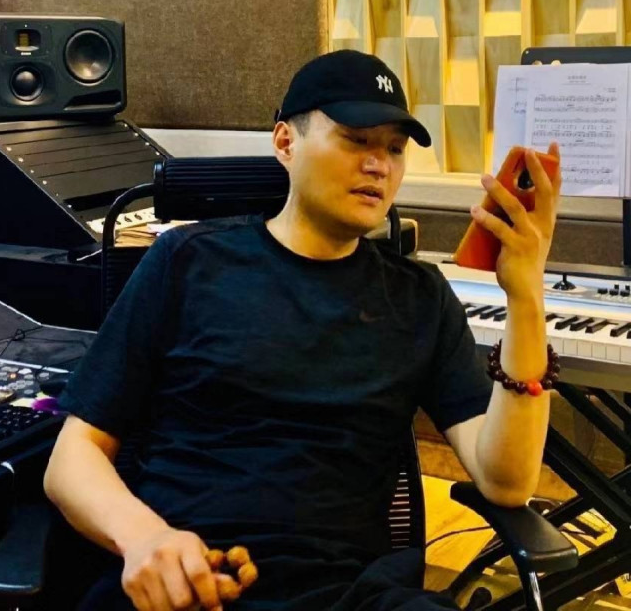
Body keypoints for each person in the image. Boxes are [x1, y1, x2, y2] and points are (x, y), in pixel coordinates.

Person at [44, 49, 562, 611]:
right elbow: (72, 457)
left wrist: (525, 295)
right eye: (356, 140)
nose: (379, 165)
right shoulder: (187, 262)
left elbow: (507, 482)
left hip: (350, 596)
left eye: (394, 148)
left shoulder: (419, 296)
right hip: (187, 585)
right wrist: (144, 538)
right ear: (286, 143)